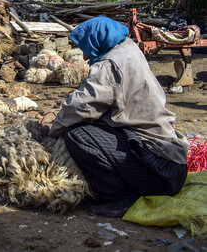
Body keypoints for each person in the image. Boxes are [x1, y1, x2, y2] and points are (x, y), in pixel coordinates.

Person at [49, 17, 188, 217]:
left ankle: (119, 196)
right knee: (95, 127)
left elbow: (79, 106)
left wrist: (52, 132)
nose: (86, 57)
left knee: (77, 134)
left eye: (85, 47)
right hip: (174, 165)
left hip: (160, 173)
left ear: (96, 40)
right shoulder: (129, 50)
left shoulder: (110, 65)